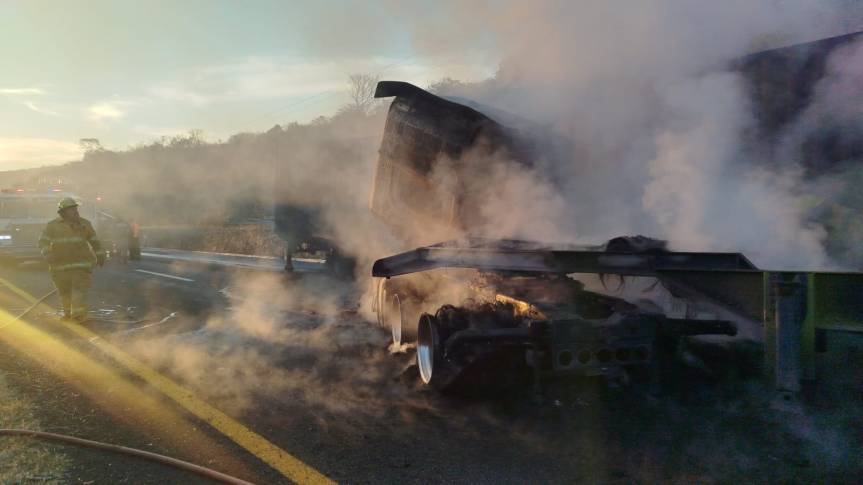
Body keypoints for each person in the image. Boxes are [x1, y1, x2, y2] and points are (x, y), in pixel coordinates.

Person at [38, 197, 105, 322]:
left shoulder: (85, 224)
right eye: (71, 209)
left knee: (79, 291)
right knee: (64, 292)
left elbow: (94, 241)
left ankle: (79, 316)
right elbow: (43, 242)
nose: (75, 211)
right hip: (60, 267)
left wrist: (100, 254)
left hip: (81, 265)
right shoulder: (52, 226)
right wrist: (47, 254)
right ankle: (68, 314)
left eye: (75, 208)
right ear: (63, 212)